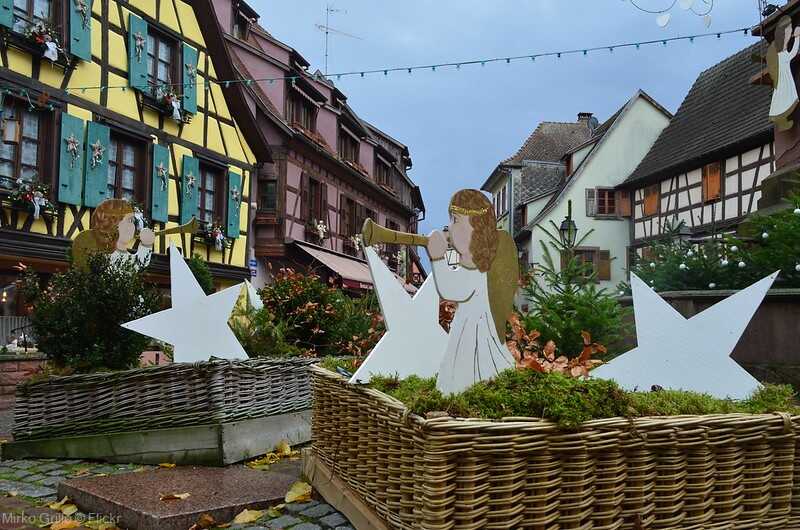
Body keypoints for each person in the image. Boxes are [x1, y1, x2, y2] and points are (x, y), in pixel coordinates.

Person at [425, 189, 518, 395]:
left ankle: (467, 395)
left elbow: (452, 288)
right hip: (470, 322)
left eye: (455, 220)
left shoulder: (477, 262)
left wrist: (438, 258)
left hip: (475, 329)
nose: (450, 227)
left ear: (475, 227)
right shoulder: (479, 259)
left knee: (469, 366)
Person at [90, 199, 155, 269]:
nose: (133, 226)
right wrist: (146, 246)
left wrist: (146, 245)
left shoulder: (103, 256)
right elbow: (136, 266)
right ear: (115, 225)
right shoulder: (109, 258)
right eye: (129, 221)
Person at [769, 16, 800, 130]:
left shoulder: (780, 52)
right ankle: (783, 120)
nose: (790, 34)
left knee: (782, 101)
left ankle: (783, 120)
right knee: (785, 100)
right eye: (788, 31)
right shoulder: (782, 54)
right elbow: (793, 53)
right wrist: (797, 38)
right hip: (784, 81)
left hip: (782, 80)